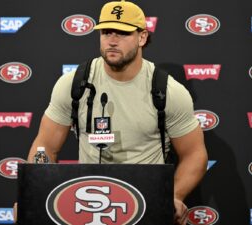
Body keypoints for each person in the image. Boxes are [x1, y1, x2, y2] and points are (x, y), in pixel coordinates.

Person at [16, 1, 208, 224]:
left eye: (123, 33)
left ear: (142, 37)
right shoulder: (74, 84)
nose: (112, 40)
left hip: (146, 206)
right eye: (106, 32)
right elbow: (45, 147)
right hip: (88, 205)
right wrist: (33, 194)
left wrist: (173, 196)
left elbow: (195, 155)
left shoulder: (168, 91)